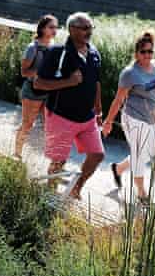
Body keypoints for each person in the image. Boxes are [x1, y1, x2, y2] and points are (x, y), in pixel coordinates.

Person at [34, 12, 104, 201]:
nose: (89, 32)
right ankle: (49, 195)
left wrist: (98, 110)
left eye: (91, 28)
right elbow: (38, 83)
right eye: (85, 28)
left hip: (87, 117)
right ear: (72, 30)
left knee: (97, 155)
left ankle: (76, 188)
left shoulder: (94, 53)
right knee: (59, 160)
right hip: (61, 116)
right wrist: (68, 82)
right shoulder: (57, 52)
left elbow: (96, 82)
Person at [102, 32, 155, 205]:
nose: (147, 55)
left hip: (152, 119)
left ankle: (118, 169)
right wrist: (108, 122)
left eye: (150, 51)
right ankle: (142, 194)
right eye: (143, 52)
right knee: (140, 155)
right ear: (136, 53)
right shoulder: (130, 73)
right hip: (133, 118)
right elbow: (118, 100)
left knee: (148, 153)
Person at [14, 15, 59, 159]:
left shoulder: (53, 45)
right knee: (27, 125)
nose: (54, 30)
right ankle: (17, 154)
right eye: (51, 27)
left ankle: (50, 159)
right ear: (42, 28)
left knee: (50, 126)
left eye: (55, 27)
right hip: (32, 92)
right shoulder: (32, 48)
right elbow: (24, 72)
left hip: (48, 91)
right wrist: (42, 72)